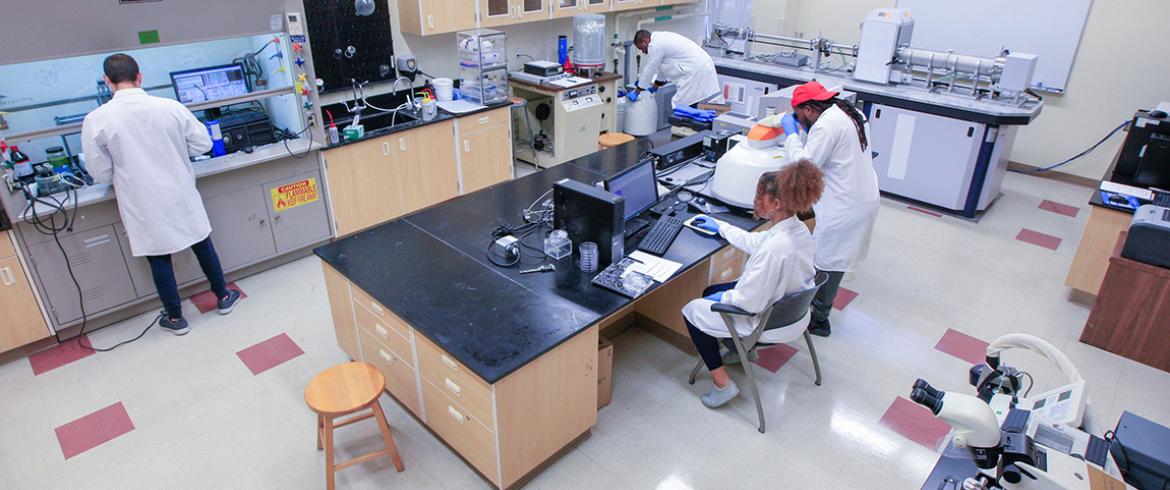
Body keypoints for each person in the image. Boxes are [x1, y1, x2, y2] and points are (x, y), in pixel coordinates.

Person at [81, 53, 241, 336]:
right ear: (139, 76)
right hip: (179, 191)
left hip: (142, 201)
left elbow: (100, 172)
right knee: (202, 243)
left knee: (158, 257)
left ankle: (176, 319)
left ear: (107, 81)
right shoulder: (170, 107)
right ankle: (223, 296)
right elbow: (203, 144)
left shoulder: (97, 119)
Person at [682, 160, 825, 408]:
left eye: (760, 196)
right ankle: (741, 352)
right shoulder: (797, 230)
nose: (755, 201)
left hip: (765, 320)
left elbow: (749, 302)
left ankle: (722, 384)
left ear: (777, 203)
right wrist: (722, 227)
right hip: (793, 313)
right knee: (710, 291)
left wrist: (720, 301)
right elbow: (757, 243)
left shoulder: (775, 248)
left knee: (693, 310)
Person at [779, 81, 880, 337]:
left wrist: (791, 135)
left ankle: (818, 320)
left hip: (843, 205)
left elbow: (806, 168)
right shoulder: (851, 113)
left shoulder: (825, 125)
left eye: (800, 116)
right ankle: (817, 311)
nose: (800, 121)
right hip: (862, 198)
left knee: (826, 262)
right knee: (836, 259)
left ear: (810, 109)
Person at [631, 29, 720, 108]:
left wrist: (637, 91)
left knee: (679, 106)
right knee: (700, 101)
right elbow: (662, 67)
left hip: (694, 71)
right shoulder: (660, 38)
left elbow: (650, 69)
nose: (642, 51)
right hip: (703, 64)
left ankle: (685, 126)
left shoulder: (654, 45)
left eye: (641, 48)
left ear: (645, 41)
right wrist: (655, 87)